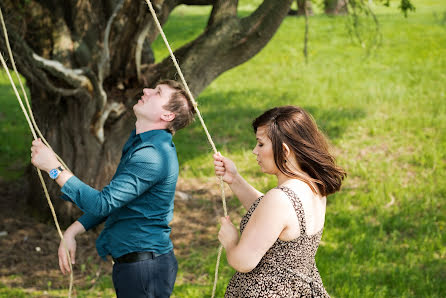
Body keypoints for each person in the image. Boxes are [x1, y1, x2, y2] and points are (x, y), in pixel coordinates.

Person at [31, 80, 195, 298]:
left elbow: (102, 202)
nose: (146, 90)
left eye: (157, 93)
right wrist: (73, 231)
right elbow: (115, 202)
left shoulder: (152, 156)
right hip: (136, 266)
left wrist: (54, 169)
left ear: (167, 116)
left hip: (145, 271)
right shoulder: (142, 144)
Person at [213, 106, 346, 297]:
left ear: (284, 150)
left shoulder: (280, 200)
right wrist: (234, 179)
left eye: (260, 144)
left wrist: (230, 241)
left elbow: (243, 261)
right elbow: (271, 218)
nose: (254, 151)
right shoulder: (312, 185)